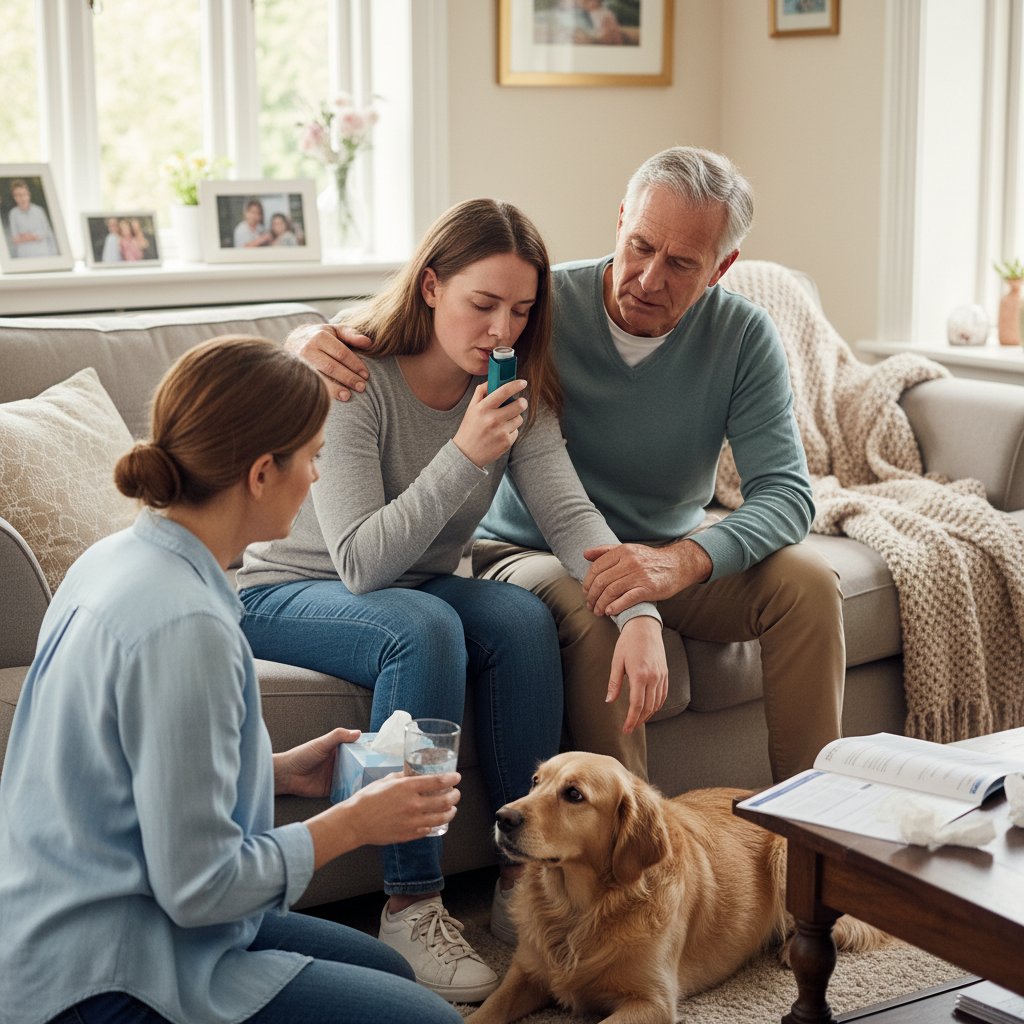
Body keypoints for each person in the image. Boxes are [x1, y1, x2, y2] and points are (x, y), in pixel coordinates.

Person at [286, 146, 845, 788]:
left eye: (683, 264)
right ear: (619, 223)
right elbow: (393, 336)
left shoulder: (741, 336)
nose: (649, 278)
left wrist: (680, 562)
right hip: (534, 549)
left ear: (722, 268)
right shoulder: (539, 308)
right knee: (590, 606)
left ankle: (815, 839)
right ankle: (615, 872)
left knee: (807, 583)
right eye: (640, 246)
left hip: (664, 549)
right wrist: (304, 342)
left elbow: (786, 497)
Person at [236, 198, 667, 1002]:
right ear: (431, 286)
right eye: (482, 303)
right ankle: (411, 901)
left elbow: (570, 515)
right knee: (425, 626)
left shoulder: (513, 388)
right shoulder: (354, 380)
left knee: (522, 616)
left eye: (521, 310)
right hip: (283, 589)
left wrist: (639, 611)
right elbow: (362, 562)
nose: (502, 329)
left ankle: (520, 880)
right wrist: (466, 453)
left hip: (411, 584)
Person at [0, 335, 463, 1024]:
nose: (316, 477)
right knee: (430, 1021)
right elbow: (201, 889)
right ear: (261, 474)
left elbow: (123, 771)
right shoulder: (186, 625)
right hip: (105, 968)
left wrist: (274, 772)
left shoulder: (112, 559)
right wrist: (352, 823)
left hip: (65, 918)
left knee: (390, 970)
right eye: (312, 457)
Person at [6, 178, 58, 257]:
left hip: (43, 254)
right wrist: (35, 236)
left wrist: (26, 236)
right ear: (15, 197)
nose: (22, 198)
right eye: (19, 195)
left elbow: (46, 233)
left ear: (29, 195)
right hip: (24, 256)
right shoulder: (13, 214)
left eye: (24, 194)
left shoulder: (39, 211)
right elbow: (15, 239)